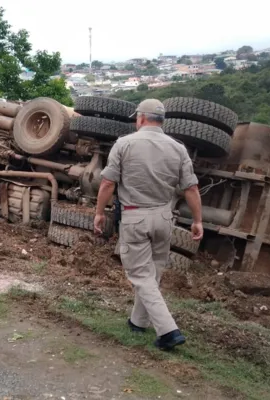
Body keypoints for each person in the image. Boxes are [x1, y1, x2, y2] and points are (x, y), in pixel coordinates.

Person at [93, 99, 203, 351]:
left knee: (141, 276)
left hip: (135, 217)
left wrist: (99, 213)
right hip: (164, 218)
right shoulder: (178, 148)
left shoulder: (124, 144)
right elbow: (191, 188)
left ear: (141, 118)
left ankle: (168, 331)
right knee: (152, 272)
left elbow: (108, 183)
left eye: (136, 118)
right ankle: (137, 321)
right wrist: (197, 220)